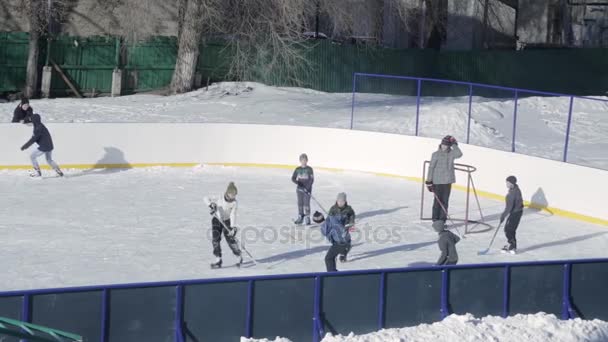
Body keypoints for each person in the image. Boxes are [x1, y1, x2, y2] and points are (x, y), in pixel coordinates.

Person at [204, 182, 242, 268]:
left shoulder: (234, 203)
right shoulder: (219, 196)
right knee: (215, 239)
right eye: (232, 195)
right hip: (217, 219)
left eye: (234, 196)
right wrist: (211, 205)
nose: (233, 198)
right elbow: (205, 198)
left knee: (230, 238)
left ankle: (238, 255)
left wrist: (233, 227)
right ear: (227, 193)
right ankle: (218, 259)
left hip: (227, 221)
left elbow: (233, 214)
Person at [425, 135, 463, 222]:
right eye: (442, 144)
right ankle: (435, 219)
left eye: (446, 145)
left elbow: (459, 154)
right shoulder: (435, 154)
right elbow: (431, 168)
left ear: (449, 146)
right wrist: (428, 181)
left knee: (445, 202)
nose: (444, 146)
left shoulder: (451, 154)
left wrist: (454, 144)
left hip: (447, 182)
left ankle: (442, 220)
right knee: (437, 202)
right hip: (437, 181)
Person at [328, 192, 355, 262]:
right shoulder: (333, 209)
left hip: (345, 228)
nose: (340, 203)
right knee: (338, 242)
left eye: (342, 201)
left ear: (345, 201)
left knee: (347, 242)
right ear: (336, 201)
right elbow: (329, 219)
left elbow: (352, 216)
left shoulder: (348, 209)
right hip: (336, 229)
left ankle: (343, 254)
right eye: (339, 201)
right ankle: (335, 254)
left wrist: (351, 223)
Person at [500, 176, 524, 254]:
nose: (506, 184)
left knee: (508, 230)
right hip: (517, 212)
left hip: (515, 213)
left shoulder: (512, 193)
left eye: (508, 183)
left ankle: (512, 245)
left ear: (512, 183)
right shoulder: (515, 189)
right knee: (511, 229)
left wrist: (503, 216)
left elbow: (509, 207)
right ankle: (512, 245)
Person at [292, 153, 314, 225]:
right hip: (299, 190)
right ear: (300, 161)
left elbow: (311, 180)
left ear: (307, 160)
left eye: (305, 160)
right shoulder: (297, 169)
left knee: (306, 204)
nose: (303, 161)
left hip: (307, 190)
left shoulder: (309, 169)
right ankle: (300, 217)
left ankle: (307, 217)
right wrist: (298, 183)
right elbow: (293, 178)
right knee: (300, 203)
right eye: (302, 160)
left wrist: (307, 188)